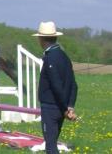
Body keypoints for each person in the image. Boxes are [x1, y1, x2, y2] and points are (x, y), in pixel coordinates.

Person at [33, 21, 78, 154]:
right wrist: (70, 105)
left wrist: (65, 108)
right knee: (52, 142)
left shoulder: (50, 58)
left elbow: (56, 85)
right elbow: (73, 85)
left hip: (51, 107)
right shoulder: (64, 56)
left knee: (51, 146)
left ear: (41, 39)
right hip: (61, 106)